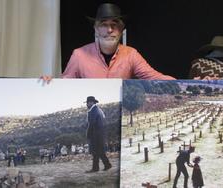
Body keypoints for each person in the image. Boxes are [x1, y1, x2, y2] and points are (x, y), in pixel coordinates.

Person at [41, 3, 176, 82]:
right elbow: (65, 84)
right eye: (103, 24)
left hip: (119, 118)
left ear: (121, 30)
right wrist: (50, 82)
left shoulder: (131, 54)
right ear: (95, 29)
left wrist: (188, 84)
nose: (109, 30)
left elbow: (155, 77)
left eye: (114, 24)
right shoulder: (79, 55)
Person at [85, 96, 112, 172]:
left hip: (95, 134)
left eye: (87, 103)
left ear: (91, 102)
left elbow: (91, 123)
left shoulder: (92, 111)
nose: (86, 105)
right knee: (99, 151)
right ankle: (106, 165)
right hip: (101, 133)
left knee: (95, 151)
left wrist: (88, 134)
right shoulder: (99, 110)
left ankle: (96, 168)